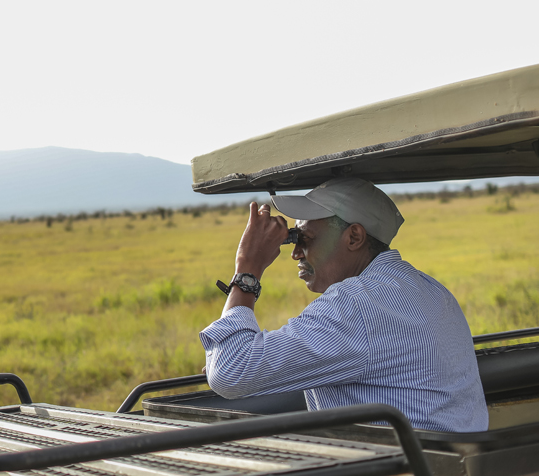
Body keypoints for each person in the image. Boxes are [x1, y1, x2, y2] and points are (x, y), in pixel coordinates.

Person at [199, 177, 488, 433]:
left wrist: (247, 268)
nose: (296, 253)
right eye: (294, 239)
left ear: (354, 237)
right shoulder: (429, 289)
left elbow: (230, 372)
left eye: (305, 239)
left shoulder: (356, 304)